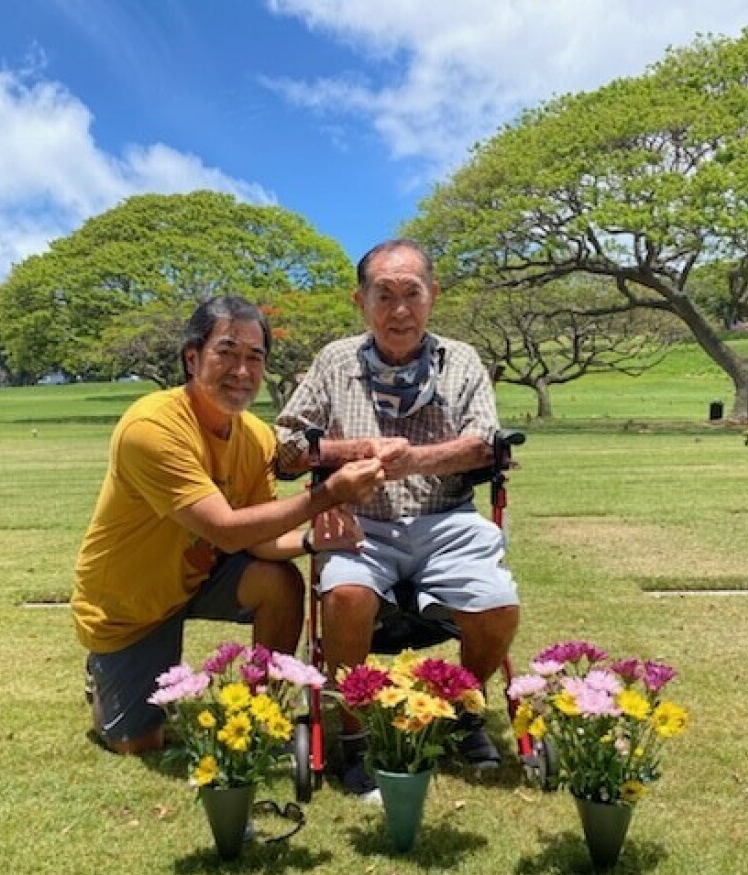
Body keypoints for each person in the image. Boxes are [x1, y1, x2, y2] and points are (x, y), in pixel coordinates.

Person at [72, 294, 384, 755]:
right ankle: (105, 681)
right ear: (193, 357)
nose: (242, 371)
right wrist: (328, 495)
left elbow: (258, 538)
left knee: (278, 581)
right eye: (227, 353)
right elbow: (226, 529)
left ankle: (261, 710)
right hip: (131, 602)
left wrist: (308, 540)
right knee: (140, 745)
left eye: (254, 358)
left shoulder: (256, 436)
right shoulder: (152, 426)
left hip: (201, 574)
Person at [275, 240, 520, 797]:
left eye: (412, 293)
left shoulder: (460, 360)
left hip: (446, 517)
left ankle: (462, 708)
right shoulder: (335, 360)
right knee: (345, 595)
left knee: (499, 603)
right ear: (361, 301)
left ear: (434, 296)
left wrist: (415, 459)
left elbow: (486, 442)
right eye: (384, 295)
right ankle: (356, 734)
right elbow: (286, 445)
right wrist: (358, 451)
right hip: (361, 522)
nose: (399, 310)